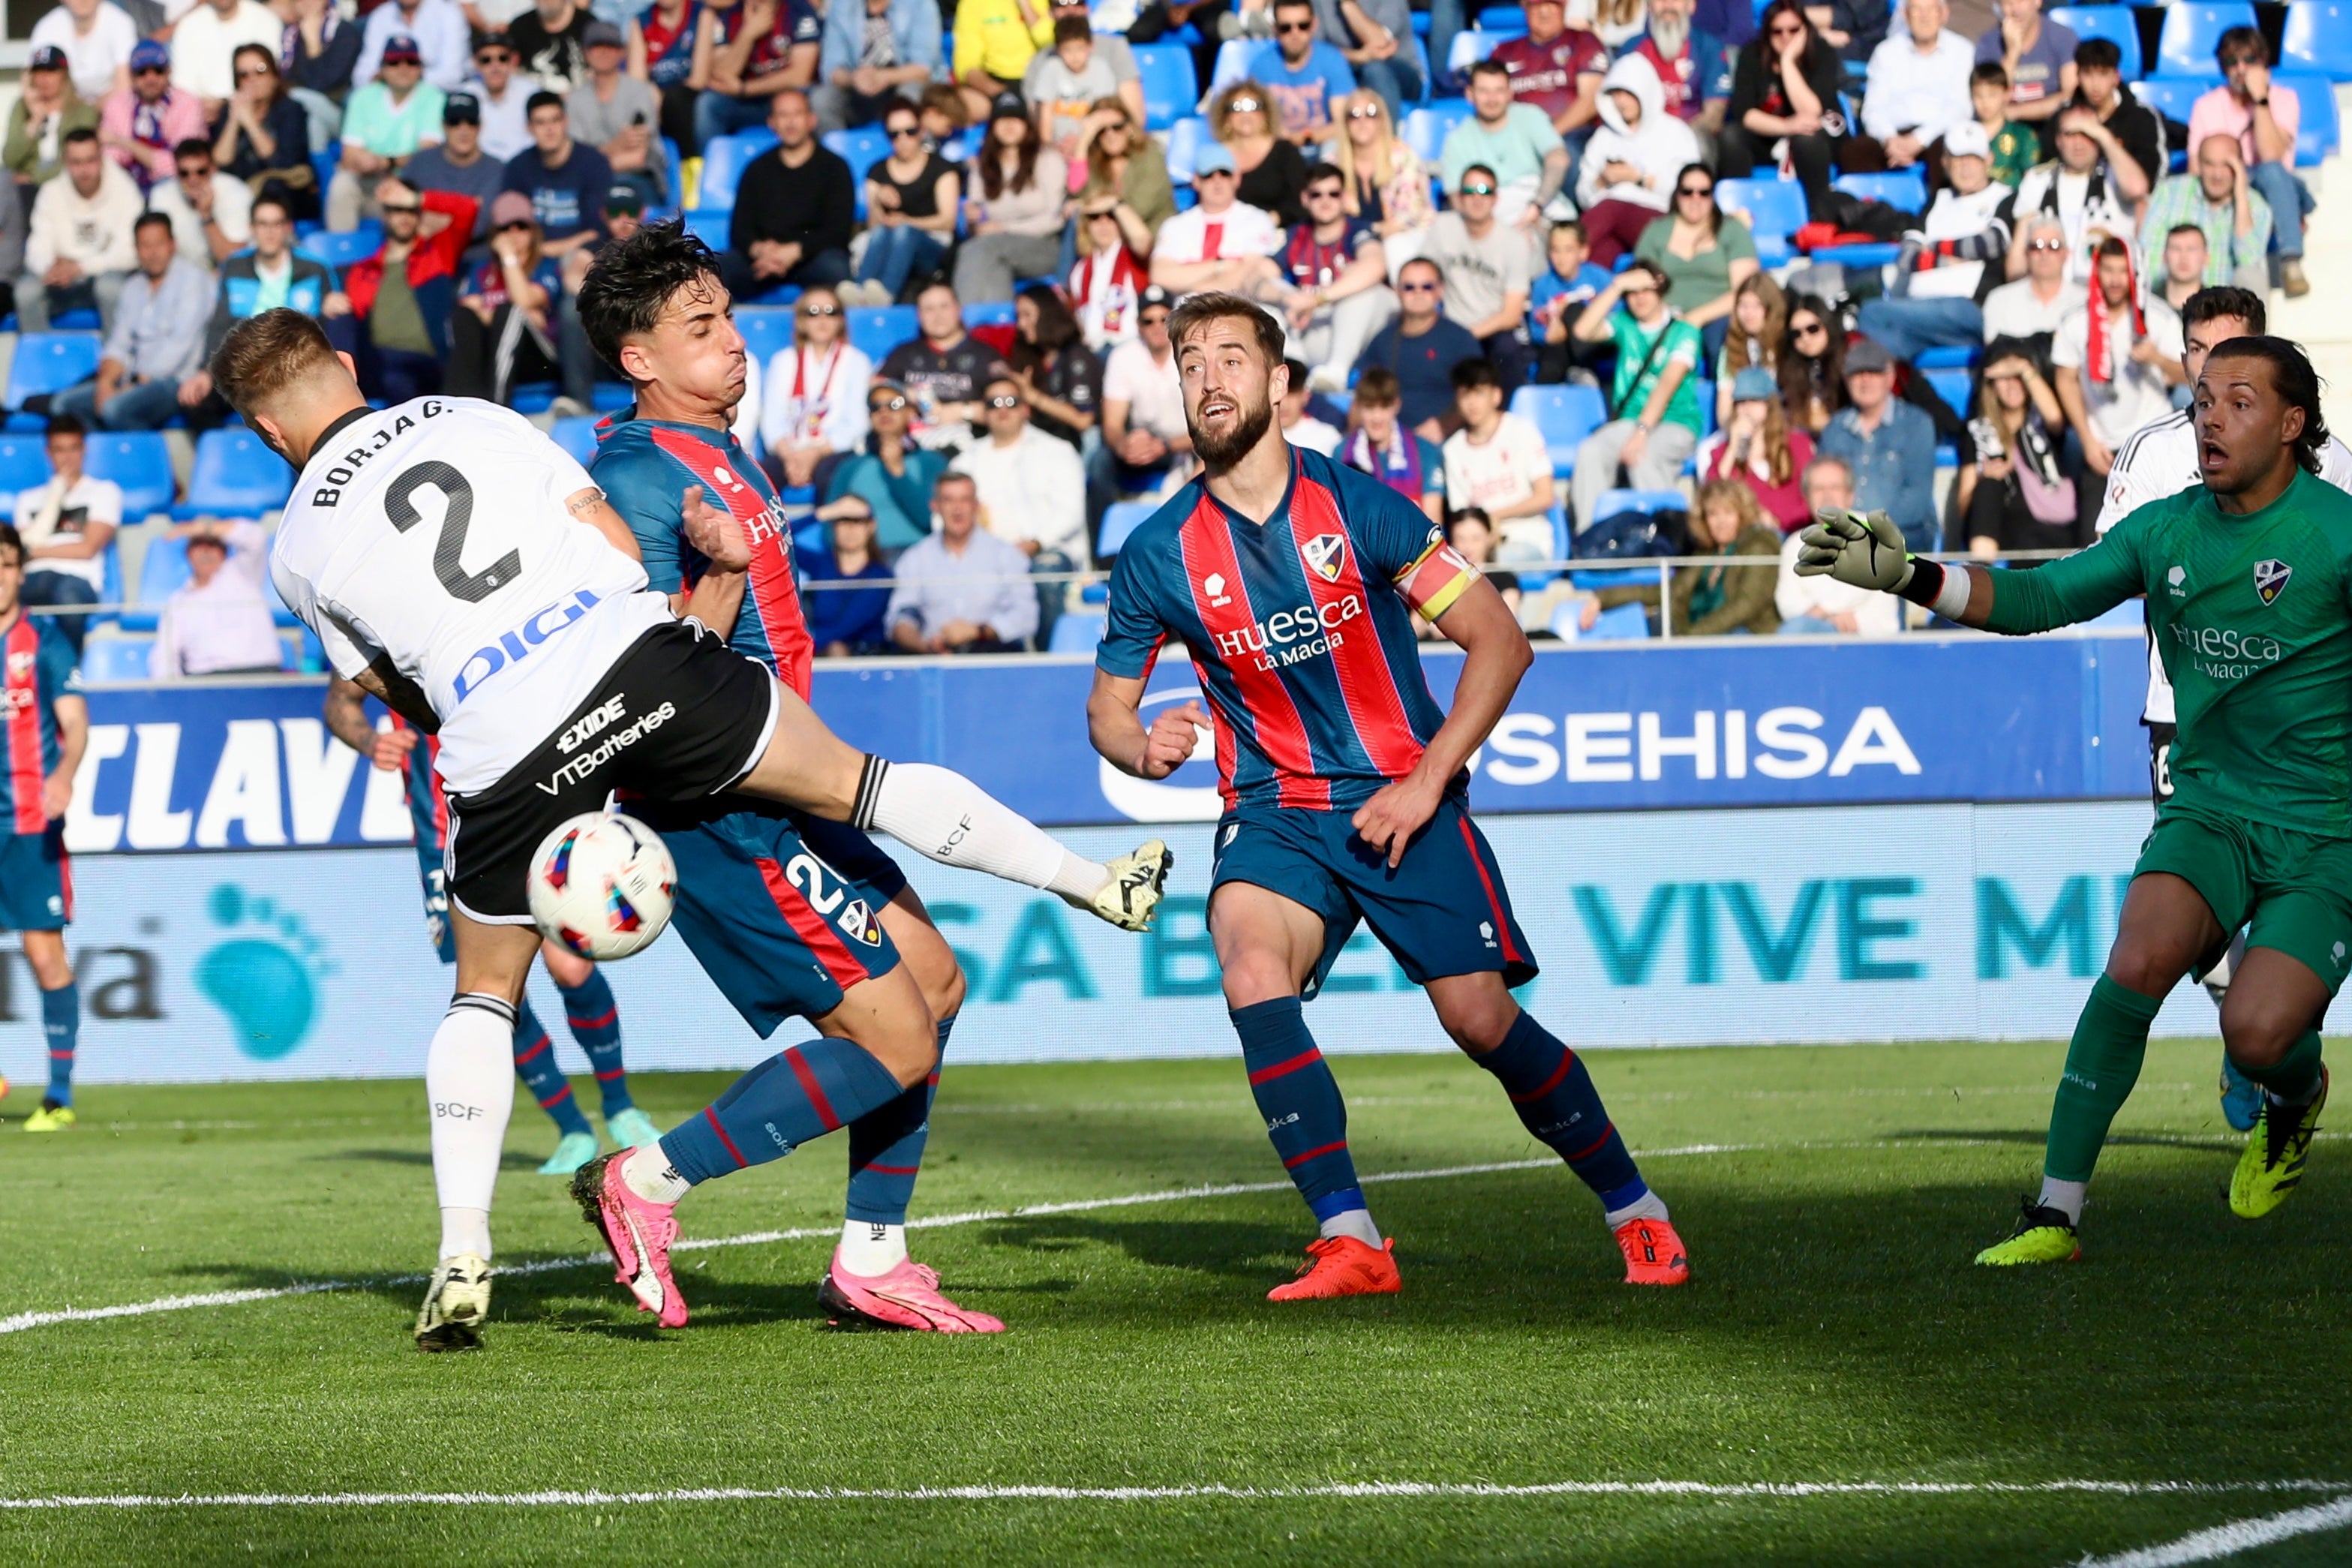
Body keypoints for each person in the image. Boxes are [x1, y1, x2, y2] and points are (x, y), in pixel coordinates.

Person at [215, 299, 1168, 1347]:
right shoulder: (469, 413)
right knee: (864, 783)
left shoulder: (296, 543)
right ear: (347, 365)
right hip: (639, 669)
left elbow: (398, 688)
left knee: (484, 991)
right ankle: (1081, 879)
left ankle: (462, 1255)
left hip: (504, 731)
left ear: (265, 434)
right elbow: (609, 540)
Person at [579, 229, 1171, 1332]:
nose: (731, 344)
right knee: (891, 1037)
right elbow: (650, 672)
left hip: (779, 771)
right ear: (638, 359)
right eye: (697, 328)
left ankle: (870, 1257)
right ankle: (645, 1181)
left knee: (935, 985)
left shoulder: (724, 451)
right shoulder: (631, 475)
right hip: (717, 806)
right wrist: (710, 566)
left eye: (726, 317)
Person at [1089, 290, 1692, 1298]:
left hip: (1399, 795)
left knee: (1478, 1020)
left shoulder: (1357, 505)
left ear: (1279, 384)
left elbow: (1500, 642)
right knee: (1246, 960)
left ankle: (1635, 1211)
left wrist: (1421, 784)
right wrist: (1138, 742)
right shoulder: (1156, 552)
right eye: (1190, 361)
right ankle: (1350, 1237)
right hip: (1274, 808)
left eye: (1231, 358)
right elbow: (1105, 712)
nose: (1208, 378)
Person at [1802, 336, 2352, 1268]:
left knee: (2256, 1031)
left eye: (2241, 401)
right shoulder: (2165, 528)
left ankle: (2295, 1098)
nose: (2211, 416)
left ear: (2294, 425)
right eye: (2204, 398)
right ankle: (2054, 1215)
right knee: (2138, 958)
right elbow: (2038, 596)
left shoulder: (2337, 532)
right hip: (2210, 805)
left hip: (2326, 830)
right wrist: (1909, 575)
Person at [2090, 291, 2352, 1127]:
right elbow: (2111, 565)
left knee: (2279, 914)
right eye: (2199, 353)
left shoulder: (2328, 462)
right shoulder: (2154, 452)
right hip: (2185, 713)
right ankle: (2251, 1034)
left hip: (2306, 742)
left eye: (2231, 353)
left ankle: (2269, 1055)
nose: (2212, 371)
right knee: (2186, 928)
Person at [324, 673, 661, 1173]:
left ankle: (620, 1105)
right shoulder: (377, 628)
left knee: (570, 967)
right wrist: (372, 740)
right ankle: (571, 1129)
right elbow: (339, 701)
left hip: (530, 811)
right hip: (447, 840)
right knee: (497, 995)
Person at [0, 523, 87, 1134]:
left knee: (43, 954)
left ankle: (58, 1097)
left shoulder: (45, 639)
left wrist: (66, 776)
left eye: (6, 565)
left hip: (31, 822)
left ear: (20, 572)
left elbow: (75, 723)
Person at [1852, 121, 2011, 363]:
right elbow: (1907, 257)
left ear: (1989, 160)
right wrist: (1950, 260)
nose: (1966, 167)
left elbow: (1991, 244)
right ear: (1945, 162)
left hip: (1968, 307)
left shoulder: (2004, 197)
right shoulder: (1937, 201)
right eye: (1958, 159)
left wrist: (1934, 247)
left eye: (1973, 158)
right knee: (1877, 340)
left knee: (1871, 315)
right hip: (1921, 310)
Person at [2052, 236, 2182, 521]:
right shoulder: (2074, 320)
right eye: (2108, 270)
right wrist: (2087, 440)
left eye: (2123, 271)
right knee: (2095, 543)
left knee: (2157, 534)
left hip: (2153, 442)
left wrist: (2157, 358)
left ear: (2135, 274)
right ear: (2096, 271)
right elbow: (2065, 378)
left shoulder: (2159, 317)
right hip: (2102, 448)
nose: (2115, 280)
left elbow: (2190, 374)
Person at [1568, 259, 1703, 532]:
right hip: (1630, 422)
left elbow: (1667, 384)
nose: (1639, 298)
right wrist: (1616, 286)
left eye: (1646, 290)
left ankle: (1663, 539)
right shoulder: (1624, 324)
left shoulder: (1684, 330)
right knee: (1590, 451)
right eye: (1633, 292)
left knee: (1646, 456)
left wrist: (1641, 432)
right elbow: (1582, 331)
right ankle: (1590, 538)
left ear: (1660, 290)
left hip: (1676, 421)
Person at [951, 369, 1089, 631]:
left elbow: (1070, 513)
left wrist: (1034, 543)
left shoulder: (1057, 451)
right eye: (994, 404)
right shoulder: (965, 461)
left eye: (1011, 402)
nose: (1003, 410)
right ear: (984, 411)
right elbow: (947, 515)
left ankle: (1048, 661)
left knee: (1044, 572)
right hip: (985, 557)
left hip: (1049, 551)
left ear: (1025, 409)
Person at [55, 212, 213, 432]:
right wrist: (105, 383)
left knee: (115, 409)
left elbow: (180, 347)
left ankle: (145, 461)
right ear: (136, 250)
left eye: (158, 244)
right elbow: (118, 344)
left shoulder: (194, 281)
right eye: (145, 246)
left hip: (174, 381)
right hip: (131, 381)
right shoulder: (133, 287)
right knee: (63, 406)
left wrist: (135, 384)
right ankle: (105, 459)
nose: (152, 253)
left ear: (172, 245)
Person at [2190, 27, 2309, 298]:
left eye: (2249, 60)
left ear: (2264, 61)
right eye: (2232, 62)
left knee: (2271, 172)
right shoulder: (2206, 105)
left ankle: (2290, 260)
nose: (2241, 69)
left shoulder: (2284, 98)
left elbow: (2271, 155)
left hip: (2275, 188)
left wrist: (2260, 100)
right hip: (2227, 184)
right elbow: (2196, 169)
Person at [317, 182, 459, 405]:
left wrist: (416, 198)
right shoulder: (363, 270)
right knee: (341, 320)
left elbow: (467, 210)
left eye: (411, 210)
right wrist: (329, 306)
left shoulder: (436, 255)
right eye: (397, 209)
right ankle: (335, 398)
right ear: (385, 215)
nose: (405, 217)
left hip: (426, 362)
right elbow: (354, 315)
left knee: (397, 375)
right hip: (378, 361)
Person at [1270, 162, 1396, 393]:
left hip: (1362, 335)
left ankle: (1337, 371)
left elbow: (1375, 265)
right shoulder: (1296, 235)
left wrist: (1317, 299)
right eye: (1316, 194)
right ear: (1305, 199)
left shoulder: (1359, 231)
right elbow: (1257, 276)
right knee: (1264, 296)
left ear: (1344, 198)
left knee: (1366, 289)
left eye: (1334, 194)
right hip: (1314, 328)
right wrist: (1288, 298)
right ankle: (1293, 365)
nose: (1326, 201)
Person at [886, 470, 1041, 650]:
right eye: (948, 500)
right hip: (933, 659)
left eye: (964, 500)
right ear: (935, 506)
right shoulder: (915, 558)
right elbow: (901, 616)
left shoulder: (1005, 555)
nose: (957, 509)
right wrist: (924, 646)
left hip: (992, 658)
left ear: (976, 506)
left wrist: (978, 631)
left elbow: (1027, 617)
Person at [722, 89, 853, 297]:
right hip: (762, 261)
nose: (790, 122)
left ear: (811, 120)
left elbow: (838, 230)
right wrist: (760, 250)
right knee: (717, 268)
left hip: (811, 258)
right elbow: (740, 228)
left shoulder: (835, 167)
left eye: (797, 114)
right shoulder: (756, 169)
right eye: (783, 115)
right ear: (771, 122)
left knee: (836, 267)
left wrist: (795, 251)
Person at [1719, 0, 1842, 218]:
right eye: (1777, 31)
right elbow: (1745, 113)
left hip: (1815, 137)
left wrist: (1787, 62)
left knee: (1807, 139)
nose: (1786, 37)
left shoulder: (1822, 53)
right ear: (1767, 32)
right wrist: (1786, 126)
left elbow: (1812, 111)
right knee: (1731, 137)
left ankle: (1819, 217)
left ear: (1805, 30)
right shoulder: (1752, 55)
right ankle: (1737, 217)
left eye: (1794, 30)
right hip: (1768, 135)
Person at [1816, 335, 1939, 551]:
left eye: (1873, 372)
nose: (1865, 380)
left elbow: (1916, 500)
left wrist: (1868, 531)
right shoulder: (1834, 430)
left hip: (1903, 538)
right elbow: (1823, 487)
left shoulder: (1917, 424)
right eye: (1857, 374)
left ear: (1890, 378)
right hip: (1845, 538)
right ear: (1846, 380)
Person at [1576, 55, 1698, 268]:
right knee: (1601, 253)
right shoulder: (1603, 137)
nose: (1621, 102)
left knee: (1612, 206)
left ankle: (1568, 251)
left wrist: (1639, 179)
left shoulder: (1676, 132)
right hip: (1609, 222)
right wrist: (1602, 181)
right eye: (1616, 94)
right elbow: (1583, 195)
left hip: (1659, 217)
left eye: (1628, 94)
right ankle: (1583, 295)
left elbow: (1690, 192)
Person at [11, 415, 119, 656]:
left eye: (73, 448)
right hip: (34, 579)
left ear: (84, 449)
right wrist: (55, 495)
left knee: (67, 595)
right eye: (59, 450)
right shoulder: (28, 499)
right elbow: (17, 553)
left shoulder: (103, 492)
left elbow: (87, 548)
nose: (67, 457)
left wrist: (33, 550)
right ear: (49, 453)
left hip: (77, 580)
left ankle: (67, 672)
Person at [447, 190, 565, 406]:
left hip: (536, 359)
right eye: (505, 228)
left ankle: (497, 405)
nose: (514, 233)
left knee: (510, 313)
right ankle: (461, 405)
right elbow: (467, 310)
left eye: (521, 226)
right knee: (464, 318)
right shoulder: (482, 270)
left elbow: (524, 301)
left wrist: (509, 258)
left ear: (532, 230)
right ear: (495, 234)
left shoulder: (546, 266)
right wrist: (516, 313)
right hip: (491, 353)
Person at [1958, 344, 2074, 557]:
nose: (2012, 386)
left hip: (2050, 526)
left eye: (2017, 377)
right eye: (2004, 378)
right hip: (2004, 530)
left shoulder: (2042, 426)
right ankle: (1982, 573)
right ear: (1991, 386)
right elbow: (1963, 504)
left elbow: (2056, 419)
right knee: (1989, 486)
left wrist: (2025, 369)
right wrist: (1985, 478)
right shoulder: (1977, 431)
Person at [19, 127, 139, 332]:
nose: (84, 170)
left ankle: (117, 360)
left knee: (111, 289)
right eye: (76, 162)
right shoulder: (51, 192)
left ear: (101, 158)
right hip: (60, 279)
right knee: (26, 292)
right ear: (65, 162)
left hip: (104, 275)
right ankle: (41, 359)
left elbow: (129, 254)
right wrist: (50, 269)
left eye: (90, 160)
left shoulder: (125, 190)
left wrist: (81, 267)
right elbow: (37, 248)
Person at [1633, 162, 1753, 364]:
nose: (1695, 199)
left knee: (1723, 343)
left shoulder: (1732, 230)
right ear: (1677, 195)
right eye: (1688, 192)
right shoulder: (1656, 231)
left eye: (1704, 192)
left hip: (1718, 317)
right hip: (1666, 315)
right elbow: (1641, 282)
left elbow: (1745, 291)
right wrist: (1666, 314)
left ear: (1713, 197)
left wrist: (1695, 318)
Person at [844, 98, 960, 306]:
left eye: (910, 131)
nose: (903, 139)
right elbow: (874, 225)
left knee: (904, 232)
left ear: (922, 131)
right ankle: (860, 292)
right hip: (889, 242)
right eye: (894, 134)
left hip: (933, 248)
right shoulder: (877, 171)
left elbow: (947, 222)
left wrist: (907, 221)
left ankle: (886, 294)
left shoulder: (942, 169)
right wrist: (879, 201)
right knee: (881, 233)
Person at [1354, 255, 1484, 439]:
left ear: (1440, 290)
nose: (1418, 292)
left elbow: (1478, 396)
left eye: (1427, 286)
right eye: (1409, 287)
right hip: (1389, 443)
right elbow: (1362, 393)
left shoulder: (1461, 340)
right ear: (1397, 291)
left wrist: (1445, 426)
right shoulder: (1382, 340)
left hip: (1447, 440)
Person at [955, 92, 1066, 302]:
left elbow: (1054, 219)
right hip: (995, 247)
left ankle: (966, 319)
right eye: (1002, 120)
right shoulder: (982, 166)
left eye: (1016, 119)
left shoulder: (1048, 159)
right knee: (993, 263)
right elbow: (976, 219)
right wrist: (971, 221)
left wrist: (1005, 229)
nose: (1009, 126)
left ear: (1027, 125)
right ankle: (996, 326)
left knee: (984, 248)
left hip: (1043, 245)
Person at [760, 285, 873, 491]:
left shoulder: (857, 361)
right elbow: (772, 421)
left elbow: (856, 423)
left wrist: (814, 454)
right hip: (790, 450)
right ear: (802, 321)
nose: (822, 319)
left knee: (830, 474)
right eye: (813, 312)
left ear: (840, 320)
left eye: (830, 312)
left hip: (835, 450)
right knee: (761, 477)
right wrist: (791, 457)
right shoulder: (783, 361)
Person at [329, 35, 447, 232]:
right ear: (382, 68)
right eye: (394, 62)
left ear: (420, 68)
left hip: (414, 186)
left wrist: (386, 162)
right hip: (372, 185)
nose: (403, 68)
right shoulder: (363, 97)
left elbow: (428, 155)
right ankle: (343, 253)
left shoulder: (434, 97)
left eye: (411, 62)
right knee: (343, 184)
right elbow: (349, 156)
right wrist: (367, 163)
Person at [1440, 357, 1553, 560]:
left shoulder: (1522, 431)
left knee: (1490, 564)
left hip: (1528, 539)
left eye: (1479, 393)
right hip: (1475, 548)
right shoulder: (1452, 450)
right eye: (1465, 395)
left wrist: (1493, 516)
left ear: (1496, 395)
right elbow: (1461, 514)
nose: (1472, 403)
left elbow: (1545, 496)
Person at [1774, 454, 1896, 633]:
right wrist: (1826, 617)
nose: (1827, 495)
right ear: (1806, 498)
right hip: (1812, 630)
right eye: (1818, 489)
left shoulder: (1874, 530)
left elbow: (1864, 584)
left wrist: (1824, 611)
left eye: (1835, 488)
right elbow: (1786, 600)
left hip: (1868, 633)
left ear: (1850, 495)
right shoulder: (1794, 544)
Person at [1440, 59, 1568, 230]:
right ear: (1470, 94)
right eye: (1484, 91)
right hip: (1490, 217)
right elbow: (1457, 197)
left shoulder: (1530, 117)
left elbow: (1558, 158)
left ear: (1510, 93)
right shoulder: (1456, 140)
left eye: (1499, 91)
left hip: (1539, 206)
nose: (1492, 99)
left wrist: (1537, 206)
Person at [879, 279, 1008, 446]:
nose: (938, 316)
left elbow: (1009, 406)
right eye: (929, 309)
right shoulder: (903, 353)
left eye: (944, 306)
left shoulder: (986, 356)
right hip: (913, 447)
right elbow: (876, 387)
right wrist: (904, 394)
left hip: (972, 446)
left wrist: (961, 411)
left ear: (958, 310)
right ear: (919, 316)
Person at [2141, 136, 2271, 299]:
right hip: (2173, 301)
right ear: (2199, 165)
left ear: (2240, 166)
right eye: (2209, 164)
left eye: (2226, 165)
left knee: (2252, 276)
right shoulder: (2170, 193)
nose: (2217, 174)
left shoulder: (2257, 207)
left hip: (2227, 309)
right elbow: (2149, 257)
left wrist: (2241, 197)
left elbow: (2249, 261)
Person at [1149, 143, 1284, 296]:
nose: (1217, 181)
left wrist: (1198, 286)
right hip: (1186, 311)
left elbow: (1255, 272)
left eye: (1225, 174)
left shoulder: (1258, 220)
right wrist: (1222, 266)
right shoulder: (1175, 226)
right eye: (1208, 175)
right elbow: (1161, 276)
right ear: (1196, 181)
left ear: (1237, 178)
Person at [1098, 284, 1193, 501]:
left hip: (1187, 443)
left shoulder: (1191, 353)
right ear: (1138, 325)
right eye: (1148, 321)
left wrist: (1166, 445)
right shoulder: (1123, 357)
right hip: (1144, 443)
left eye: (1165, 319)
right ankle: (1103, 532)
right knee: (1100, 462)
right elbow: (1112, 424)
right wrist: (1124, 445)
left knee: (1211, 452)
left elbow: (1208, 427)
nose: (1158, 327)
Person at [828, 378, 950, 547]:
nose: (884, 412)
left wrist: (897, 471)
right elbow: (829, 529)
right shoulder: (850, 467)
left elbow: (931, 521)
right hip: (868, 565)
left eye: (895, 404)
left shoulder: (932, 462)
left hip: (919, 561)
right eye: (876, 407)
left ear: (910, 412)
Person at [149, 526, 281, 677]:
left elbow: (256, 537)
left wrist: (202, 526)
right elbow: (165, 653)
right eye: (198, 545)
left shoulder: (243, 575)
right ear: (188, 554)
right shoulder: (178, 600)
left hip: (259, 673)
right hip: (205, 679)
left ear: (223, 553)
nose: (205, 552)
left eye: (212, 546)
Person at [1856, 0, 1971, 173]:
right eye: (1917, 10)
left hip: (1937, 133)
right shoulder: (1885, 52)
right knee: (1854, 151)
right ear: (1905, 14)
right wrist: (1890, 140)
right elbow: (1873, 108)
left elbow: (1960, 108)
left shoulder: (1962, 51)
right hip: (1893, 134)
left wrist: (1919, 140)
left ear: (1943, 14)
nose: (1924, 17)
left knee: (1949, 150)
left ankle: (1937, 199)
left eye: (1931, 10)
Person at [1698, 365, 1813, 530]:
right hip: (1748, 540)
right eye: (1740, 402)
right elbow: (1715, 496)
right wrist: (1733, 447)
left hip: (1796, 533)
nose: (1746, 408)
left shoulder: (1797, 445)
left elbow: (1810, 494)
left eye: (1754, 400)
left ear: (1770, 404)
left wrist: (1779, 523)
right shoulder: (1722, 453)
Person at [563, 23, 666, 208]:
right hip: (591, 185)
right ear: (585, 53)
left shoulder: (639, 92)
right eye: (596, 46)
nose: (603, 52)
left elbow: (637, 157)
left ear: (622, 52)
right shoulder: (575, 100)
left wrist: (595, 159)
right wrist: (618, 145)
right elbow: (576, 161)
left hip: (638, 179)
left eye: (610, 46)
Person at [1328, 89, 1431, 272]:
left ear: (1382, 120)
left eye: (1371, 114)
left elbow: (1408, 216)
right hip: (1355, 246)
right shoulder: (1333, 164)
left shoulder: (1404, 157)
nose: (1362, 121)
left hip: (1407, 236)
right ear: (1345, 123)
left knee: (1395, 245)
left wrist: (1369, 232)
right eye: (1354, 115)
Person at [1488, 0, 1606, 161]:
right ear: (1524, 6)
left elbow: (1591, 100)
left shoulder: (1584, 41)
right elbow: (1490, 98)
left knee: (1565, 157)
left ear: (1565, 6)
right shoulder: (1504, 51)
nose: (1544, 12)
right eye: (1536, 5)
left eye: (1552, 4)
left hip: (1573, 135)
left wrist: (1548, 136)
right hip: (1518, 137)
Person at [214, 44, 317, 220]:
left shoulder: (291, 110)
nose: (252, 79)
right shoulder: (229, 111)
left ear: (274, 76)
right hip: (240, 193)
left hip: (286, 193)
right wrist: (234, 121)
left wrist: (251, 123)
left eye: (260, 71)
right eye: (243, 75)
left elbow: (280, 163)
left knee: (273, 187)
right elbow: (220, 162)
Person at [818, 0, 943, 134]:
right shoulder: (841, 6)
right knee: (821, 100)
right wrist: (854, 79)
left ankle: (913, 150)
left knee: (909, 95)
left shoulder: (920, 4)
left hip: (902, 82)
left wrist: (884, 77)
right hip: (857, 89)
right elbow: (831, 68)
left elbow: (923, 69)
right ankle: (835, 152)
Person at [1671, 479, 1780, 633]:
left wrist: (1694, 635)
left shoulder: (1759, 547)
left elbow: (1747, 604)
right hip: (1701, 638)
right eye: (1713, 514)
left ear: (1742, 515)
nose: (1721, 522)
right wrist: (1624, 592)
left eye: (1729, 513)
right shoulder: (1708, 553)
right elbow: (1673, 590)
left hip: (1748, 636)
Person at [1070, 95, 1174, 253]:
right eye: (1101, 130)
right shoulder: (1095, 162)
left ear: (1129, 127)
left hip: (1151, 240)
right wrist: (1084, 140)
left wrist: (1087, 206)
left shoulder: (1150, 155)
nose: (1110, 135)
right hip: (1107, 243)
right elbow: (1076, 189)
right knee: (1074, 224)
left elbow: (1140, 207)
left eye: (1117, 127)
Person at [99, 39, 204, 192]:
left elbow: (179, 164)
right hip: (127, 185)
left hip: (176, 186)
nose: (151, 79)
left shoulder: (187, 104)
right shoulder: (117, 105)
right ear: (132, 76)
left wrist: (125, 143)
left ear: (169, 72)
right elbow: (110, 158)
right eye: (142, 72)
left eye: (158, 71)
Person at [1341, 365, 1443, 521]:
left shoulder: (1424, 451)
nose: (1377, 418)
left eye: (1384, 407)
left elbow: (1434, 522)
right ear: (1359, 408)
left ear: (1396, 405)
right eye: (1369, 408)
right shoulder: (1342, 454)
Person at [404, 91, 506, 245]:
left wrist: (434, 215)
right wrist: (466, 210)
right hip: (426, 252)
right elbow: (403, 214)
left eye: (471, 122)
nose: (463, 130)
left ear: (480, 126)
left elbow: (480, 225)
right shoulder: (420, 162)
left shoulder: (497, 169)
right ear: (444, 126)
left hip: (477, 256)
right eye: (455, 122)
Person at [1006, 283, 1100, 449]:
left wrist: (1033, 397)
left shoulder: (1077, 356)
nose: (1021, 324)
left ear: (1048, 314)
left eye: (1027, 315)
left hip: (1075, 445)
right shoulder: (1028, 357)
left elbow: (1084, 420)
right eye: (1018, 316)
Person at [1251, 0, 1354, 146]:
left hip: (1323, 147)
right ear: (1275, 29)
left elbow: (1344, 122)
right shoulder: (1261, 66)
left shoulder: (1332, 60)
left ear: (1314, 25)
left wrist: (1307, 137)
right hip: (1279, 148)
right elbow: (1255, 122)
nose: (1295, 33)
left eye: (1303, 26)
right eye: (1286, 28)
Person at [1974, 0, 2075, 146]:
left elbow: (2069, 95)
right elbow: (1989, 98)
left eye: (2021, 1)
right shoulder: (1988, 43)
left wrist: (2015, 112)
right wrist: (2012, 53)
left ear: (2037, 2)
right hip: (2003, 133)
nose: (2015, 10)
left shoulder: (2063, 37)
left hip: (2052, 128)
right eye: (2007, 4)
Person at [1211, 80, 1310, 227]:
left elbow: (1301, 202)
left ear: (1266, 114)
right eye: (1237, 108)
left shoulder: (1285, 152)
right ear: (1226, 118)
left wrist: (1273, 219)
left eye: (1253, 106)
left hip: (1279, 232)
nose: (1245, 114)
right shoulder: (1215, 157)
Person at [2068, 37, 2159, 194]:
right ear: (2078, 77)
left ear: (2116, 77)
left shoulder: (2142, 117)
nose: (2095, 84)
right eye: (2088, 74)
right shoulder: (2066, 117)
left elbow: (2150, 177)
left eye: (2103, 74)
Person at [804, 499, 897, 653]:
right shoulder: (821, 564)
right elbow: (779, 541)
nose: (850, 528)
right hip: (820, 653)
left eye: (858, 521)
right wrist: (824, 513)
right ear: (834, 526)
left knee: (837, 649)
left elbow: (847, 626)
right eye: (843, 520)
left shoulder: (881, 576)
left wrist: (799, 645)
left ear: (871, 526)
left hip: (867, 658)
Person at [147, 137, 255, 269]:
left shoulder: (236, 193)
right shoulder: (162, 195)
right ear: (176, 173)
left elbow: (234, 260)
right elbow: (156, 255)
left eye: (201, 172)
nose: (193, 180)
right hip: (183, 275)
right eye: (184, 173)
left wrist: (207, 215)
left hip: (231, 275)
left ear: (213, 170)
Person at [1981, 211, 2083, 349]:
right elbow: (1996, 359)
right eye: (2036, 246)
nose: (2044, 253)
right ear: (2026, 254)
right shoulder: (2000, 301)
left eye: (2053, 246)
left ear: (2066, 253)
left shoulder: (2085, 302)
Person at [1530, 217, 1612, 383]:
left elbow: (1617, 314)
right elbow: (1535, 328)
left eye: (1568, 250)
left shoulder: (1600, 278)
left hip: (1597, 345)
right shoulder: (1542, 285)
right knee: (1553, 356)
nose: (1561, 258)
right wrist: (1547, 335)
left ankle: (1584, 370)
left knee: (1573, 309)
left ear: (1583, 252)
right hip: (1558, 347)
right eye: (1555, 250)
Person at [6, 47, 99, 191]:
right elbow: (10, 158)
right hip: (24, 189)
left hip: (65, 187)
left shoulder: (83, 111)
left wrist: (35, 179)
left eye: (51, 71)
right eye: (38, 72)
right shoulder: (21, 107)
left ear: (64, 75)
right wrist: (35, 120)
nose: (44, 78)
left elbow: (74, 160)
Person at [1309, 0, 1418, 121]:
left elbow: (1380, 42)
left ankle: (1385, 138)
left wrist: (1348, 4)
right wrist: (1358, 56)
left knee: (1375, 70)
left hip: (1398, 70)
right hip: (1342, 68)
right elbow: (1314, 50)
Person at [951, 0, 1053, 125]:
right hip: (995, 80)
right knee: (956, 104)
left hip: (1038, 78)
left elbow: (1049, 43)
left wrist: (1025, 4)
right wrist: (997, 91)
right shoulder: (971, 3)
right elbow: (966, 63)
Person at [172, 0, 287, 110]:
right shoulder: (188, 25)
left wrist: (227, 104)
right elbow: (183, 82)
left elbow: (268, 74)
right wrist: (204, 105)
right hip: (202, 110)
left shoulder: (265, 19)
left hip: (256, 105)